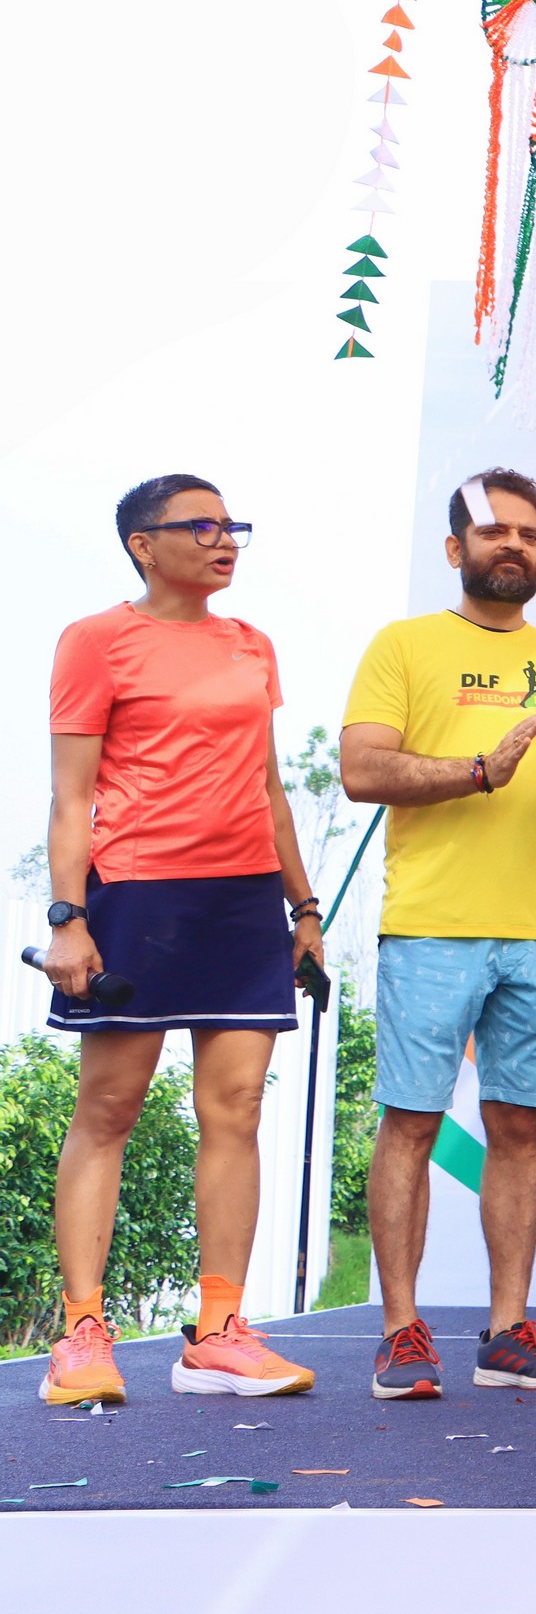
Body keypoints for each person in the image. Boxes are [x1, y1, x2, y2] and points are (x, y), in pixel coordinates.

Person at [38, 476, 323, 1405]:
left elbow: (269, 787)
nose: (223, 539)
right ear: (142, 545)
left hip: (242, 899)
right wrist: (69, 918)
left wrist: (304, 908)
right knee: (109, 1107)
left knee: (235, 1108)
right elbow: (72, 796)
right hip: (137, 897)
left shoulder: (251, 644)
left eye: (230, 525)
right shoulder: (95, 640)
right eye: (200, 526)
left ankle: (219, 1333)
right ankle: (82, 1334)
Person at [339, 468, 536, 1398]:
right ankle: (401, 1333)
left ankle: (507, 1332)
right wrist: (478, 771)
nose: (514, 546)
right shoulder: (404, 645)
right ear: (457, 547)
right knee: (411, 1123)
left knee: (519, 1126)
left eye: (529, 534)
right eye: (497, 531)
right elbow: (361, 770)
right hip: (432, 927)